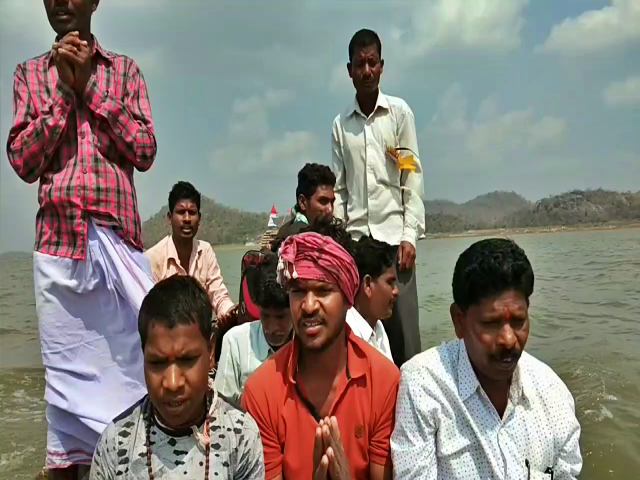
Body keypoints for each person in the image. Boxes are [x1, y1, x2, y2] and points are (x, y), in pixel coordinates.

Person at [6, 1, 157, 477]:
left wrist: (88, 86)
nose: (62, 3)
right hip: (59, 251)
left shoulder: (125, 71)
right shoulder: (29, 75)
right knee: (68, 404)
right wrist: (64, 98)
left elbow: (145, 149)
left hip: (120, 245)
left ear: (94, 2)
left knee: (139, 378)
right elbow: (24, 162)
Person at [391, 239, 582, 479]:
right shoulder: (425, 386)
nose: (509, 340)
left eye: (518, 321)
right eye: (491, 324)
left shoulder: (553, 395)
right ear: (459, 321)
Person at [242, 231, 400, 480]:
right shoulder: (261, 392)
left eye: (323, 291)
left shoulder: (384, 382)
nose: (309, 305)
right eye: (298, 292)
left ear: (348, 299)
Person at [89, 275, 264, 479]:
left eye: (187, 359)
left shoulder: (240, 436)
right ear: (143, 355)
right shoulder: (116, 445)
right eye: (157, 363)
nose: (172, 383)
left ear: (210, 352)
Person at [331, 28, 425, 368]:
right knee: (358, 344)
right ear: (349, 70)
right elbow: (340, 189)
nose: (366, 70)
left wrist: (410, 235)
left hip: (396, 247)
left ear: (382, 66)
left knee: (406, 344)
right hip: (357, 247)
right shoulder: (341, 125)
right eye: (360, 64)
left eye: (372, 63)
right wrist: (340, 244)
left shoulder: (399, 115)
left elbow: (410, 175)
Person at [146, 181, 237, 327]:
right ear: (170, 218)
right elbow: (151, 311)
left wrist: (229, 312)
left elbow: (218, 295)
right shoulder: (153, 258)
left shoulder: (205, 251)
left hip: (201, 333)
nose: (187, 219)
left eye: (192, 213)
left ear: (199, 218)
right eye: (181, 212)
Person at [215, 252, 293, 407]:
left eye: (281, 317)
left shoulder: (308, 346)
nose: (272, 328)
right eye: (265, 316)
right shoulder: (235, 342)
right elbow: (222, 406)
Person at [348, 236, 398, 362]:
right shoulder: (347, 337)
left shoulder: (377, 326)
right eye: (390, 282)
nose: (396, 291)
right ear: (368, 285)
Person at [272, 162, 336, 250]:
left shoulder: (288, 230)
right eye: (323, 201)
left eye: (332, 202)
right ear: (303, 202)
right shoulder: (300, 240)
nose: (330, 209)